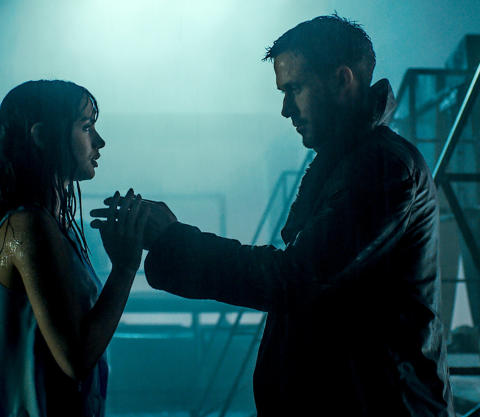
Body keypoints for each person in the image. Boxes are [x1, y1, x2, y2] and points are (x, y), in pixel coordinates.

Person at [92, 15, 454, 416]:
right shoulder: (356, 164)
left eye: (294, 89)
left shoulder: (383, 167)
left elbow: (294, 278)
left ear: (341, 80)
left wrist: (173, 239)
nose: (285, 110)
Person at [0, 80, 150, 417]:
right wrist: (125, 268)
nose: (99, 141)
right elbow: (75, 358)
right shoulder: (28, 226)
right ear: (42, 136)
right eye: (86, 127)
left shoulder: (52, 227)